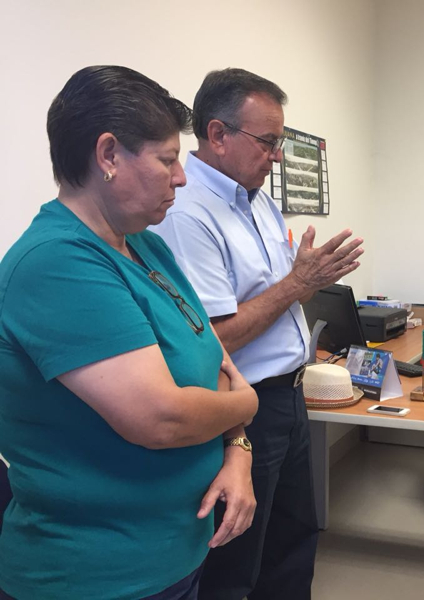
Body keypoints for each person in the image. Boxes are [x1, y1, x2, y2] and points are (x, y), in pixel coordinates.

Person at [0, 66, 260, 600]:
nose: (182, 178)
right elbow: (160, 418)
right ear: (109, 155)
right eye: (168, 161)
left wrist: (238, 451)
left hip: (175, 551)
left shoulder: (143, 245)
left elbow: (213, 362)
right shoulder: (56, 263)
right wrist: (249, 407)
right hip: (99, 575)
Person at [151, 68, 363, 600]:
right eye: (268, 142)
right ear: (218, 134)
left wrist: (304, 282)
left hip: (290, 398)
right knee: (238, 560)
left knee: (293, 543)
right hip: (244, 408)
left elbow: (277, 299)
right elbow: (213, 340)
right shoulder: (187, 213)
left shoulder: (259, 199)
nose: (276, 157)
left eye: (280, 143)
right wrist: (298, 283)